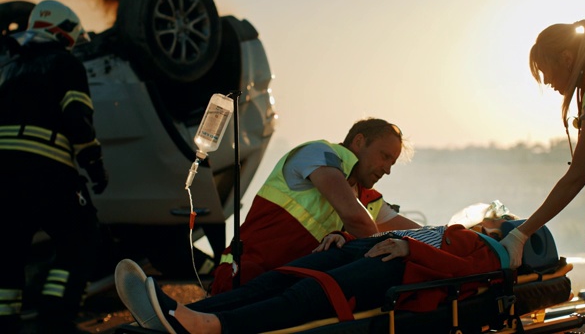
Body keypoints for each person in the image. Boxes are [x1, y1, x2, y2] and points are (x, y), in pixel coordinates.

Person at [116, 207, 514, 334]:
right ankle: (187, 314)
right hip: (368, 249)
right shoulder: (450, 229)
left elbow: (467, 273)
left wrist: (407, 245)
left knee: (305, 295)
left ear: (502, 227)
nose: (486, 218)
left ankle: (203, 327)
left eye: (494, 218)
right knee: (280, 277)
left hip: (399, 269)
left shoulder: (489, 247)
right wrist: (343, 236)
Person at [500, 19, 585, 304]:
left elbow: (578, 174)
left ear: (566, 58)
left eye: (544, 71)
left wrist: (522, 234)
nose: (547, 81)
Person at [210, 117, 421, 294]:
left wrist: (448, 239)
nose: (387, 170)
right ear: (358, 142)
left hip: (284, 291)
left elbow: (418, 235)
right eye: (384, 157)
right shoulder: (318, 153)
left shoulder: (369, 199)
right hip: (241, 276)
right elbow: (355, 218)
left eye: (392, 163)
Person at [0, 0, 108, 333]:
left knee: (8, 251)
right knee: (81, 237)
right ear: (62, 32)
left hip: (4, 178)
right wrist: (95, 165)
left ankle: (5, 322)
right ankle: (56, 317)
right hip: (47, 173)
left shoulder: (10, 70)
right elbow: (78, 121)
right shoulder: (65, 64)